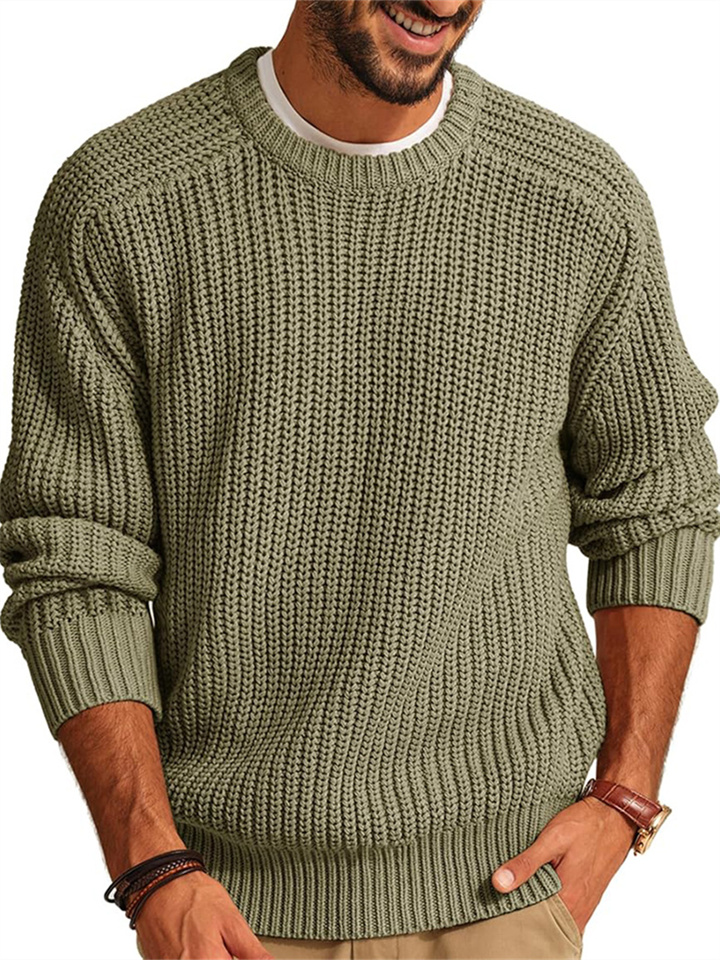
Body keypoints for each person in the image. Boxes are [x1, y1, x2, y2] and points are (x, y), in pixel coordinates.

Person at [1, 1, 718, 958]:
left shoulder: (577, 199)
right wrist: (150, 865)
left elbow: (660, 501)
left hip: (505, 896)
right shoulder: (123, 201)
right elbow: (74, 556)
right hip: (227, 913)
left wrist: (625, 798)